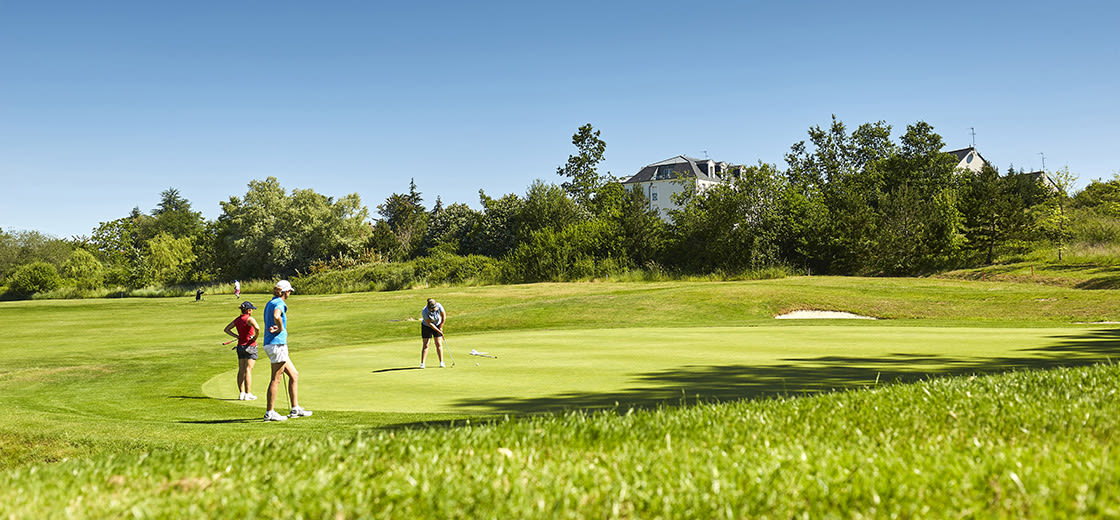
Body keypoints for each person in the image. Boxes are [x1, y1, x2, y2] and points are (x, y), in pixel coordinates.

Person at [262, 279, 312, 421]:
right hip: (277, 344)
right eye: (289, 291)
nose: (290, 293)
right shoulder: (279, 303)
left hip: (273, 344)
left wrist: (277, 326)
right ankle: (269, 412)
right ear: (284, 292)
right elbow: (276, 316)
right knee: (276, 379)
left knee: (294, 375)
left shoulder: (270, 302)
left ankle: (295, 408)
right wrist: (281, 327)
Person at [223, 300, 260, 400]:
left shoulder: (238, 319)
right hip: (250, 346)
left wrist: (237, 336)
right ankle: (248, 393)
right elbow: (257, 328)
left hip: (240, 346)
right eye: (251, 309)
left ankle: (242, 393)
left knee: (241, 369)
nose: (252, 311)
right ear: (248, 310)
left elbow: (226, 329)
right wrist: (255, 337)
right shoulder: (250, 319)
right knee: (248, 370)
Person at [419, 298, 447, 368]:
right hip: (427, 326)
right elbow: (430, 324)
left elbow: (444, 317)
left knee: (438, 343)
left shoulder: (439, 306)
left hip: (438, 324)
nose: (434, 309)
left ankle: (441, 362)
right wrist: (439, 331)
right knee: (426, 344)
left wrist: (440, 327)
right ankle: (422, 363)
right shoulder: (424, 311)